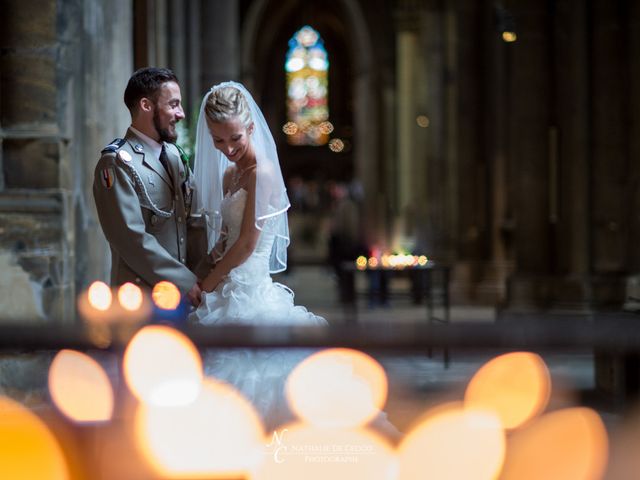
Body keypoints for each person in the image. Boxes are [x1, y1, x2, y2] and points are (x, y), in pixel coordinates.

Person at [188, 82, 326, 429]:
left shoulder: (261, 174)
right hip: (225, 282)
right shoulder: (230, 176)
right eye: (218, 140)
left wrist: (207, 283)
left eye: (235, 138)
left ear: (250, 128)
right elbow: (226, 236)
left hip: (250, 288)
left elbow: (248, 242)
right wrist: (208, 263)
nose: (228, 148)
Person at [93, 67, 201, 307]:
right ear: (146, 105)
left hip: (185, 293)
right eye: (173, 105)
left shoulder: (173, 156)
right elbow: (131, 239)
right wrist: (185, 281)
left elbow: (192, 220)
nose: (181, 113)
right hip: (142, 299)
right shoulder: (116, 162)